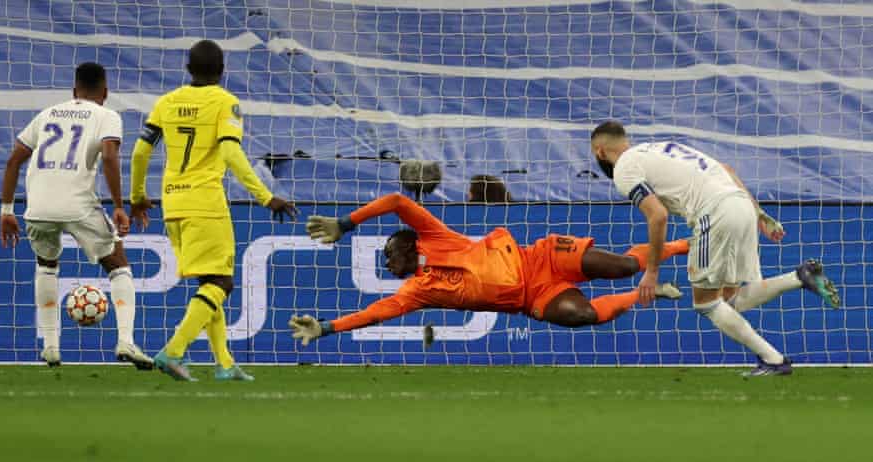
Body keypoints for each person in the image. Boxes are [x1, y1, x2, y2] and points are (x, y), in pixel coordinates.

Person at [590, 120, 840, 376]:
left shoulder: (624, 169)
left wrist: (651, 272)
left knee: (705, 303)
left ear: (600, 152)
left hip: (715, 212)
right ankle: (800, 277)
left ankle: (774, 360)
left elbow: (658, 216)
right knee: (728, 300)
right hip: (742, 205)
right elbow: (727, 169)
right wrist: (760, 214)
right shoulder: (661, 147)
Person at [289, 193, 687, 345]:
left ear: (409, 244)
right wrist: (325, 327)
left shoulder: (433, 236)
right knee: (582, 315)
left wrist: (345, 224)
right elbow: (375, 313)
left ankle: (685, 243)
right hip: (533, 296)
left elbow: (396, 200)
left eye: (390, 253)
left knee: (625, 265)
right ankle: (647, 294)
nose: (388, 262)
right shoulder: (418, 291)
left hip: (541, 257)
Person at [130, 40, 298, 381]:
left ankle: (224, 363)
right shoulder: (225, 103)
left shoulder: (166, 103)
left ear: (188, 69)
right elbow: (232, 154)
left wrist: (137, 196)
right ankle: (173, 351)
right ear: (222, 71)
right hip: (205, 201)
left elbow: (139, 154)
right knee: (222, 282)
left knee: (210, 281)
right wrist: (266, 197)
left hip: (172, 203)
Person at [0, 62, 153, 369]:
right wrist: (119, 206)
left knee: (46, 265)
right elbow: (109, 155)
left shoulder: (48, 114)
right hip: (78, 204)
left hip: (38, 206)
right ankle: (125, 341)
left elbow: (14, 161)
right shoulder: (106, 115)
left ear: (74, 91)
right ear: (105, 92)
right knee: (117, 263)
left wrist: (6, 210)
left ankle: (51, 347)